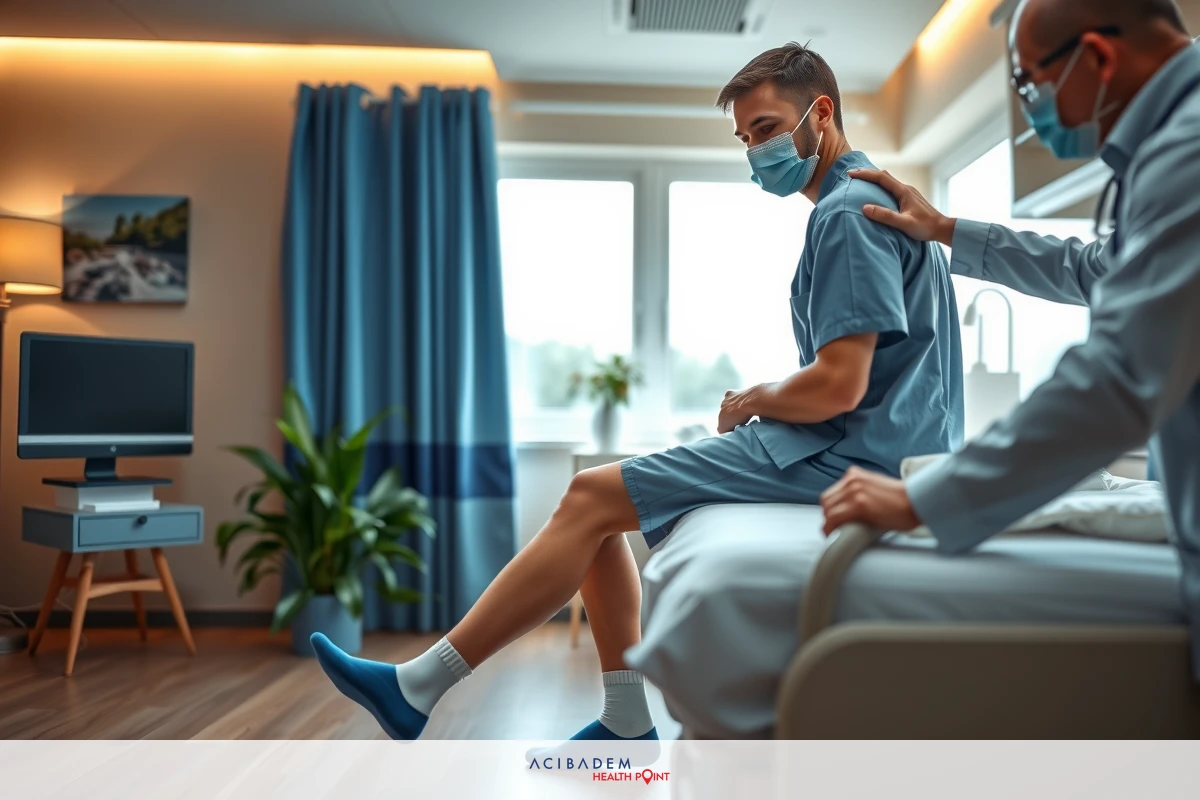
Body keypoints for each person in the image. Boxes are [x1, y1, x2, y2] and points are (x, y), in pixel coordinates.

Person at [308, 42, 964, 742]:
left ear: (821, 112)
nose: (755, 152)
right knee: (598, 503)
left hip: (853, 459)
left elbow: (841, 383)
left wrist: (754, 401)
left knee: (590, 495)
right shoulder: (868, 198)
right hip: (876, 449)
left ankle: (420, 686)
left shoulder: (845, 215)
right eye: (745, 139)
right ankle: (622, 718)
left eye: (767, 129)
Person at [820, 0, 1200, 676]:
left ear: (1099, 58)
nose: (1028, 106)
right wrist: (945, 230)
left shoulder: (1189, 152)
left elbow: (1120, 378)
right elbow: (1097, 269)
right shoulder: (1169, 150)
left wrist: (924, 500)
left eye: (1028, 83)